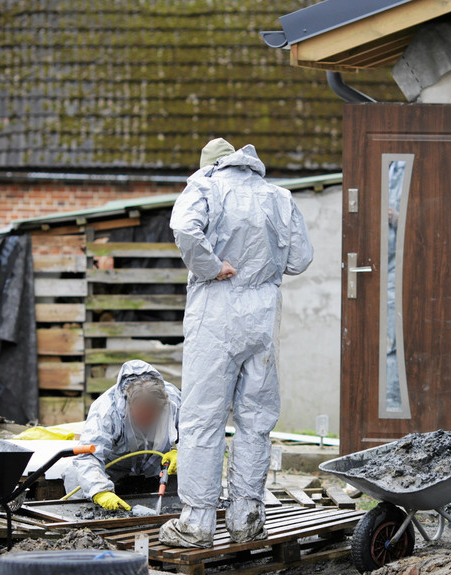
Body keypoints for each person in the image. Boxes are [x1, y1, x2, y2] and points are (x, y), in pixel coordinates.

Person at [158, 139, 313, 548]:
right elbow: (300, 260)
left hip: (217, 310)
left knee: (202, 418)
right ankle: (247, 518)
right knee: (256, 419)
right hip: (262, 315)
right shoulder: (279, 197)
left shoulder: (205, 187)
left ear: (211, 165)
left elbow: (184, 230)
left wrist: (212, 265)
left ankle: (197, 523)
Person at [63, 360, 180, 511]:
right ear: (129, 406)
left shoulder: (174, 401)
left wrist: (181, 452)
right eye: (142, 414)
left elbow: (195, 437)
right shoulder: (106, 410)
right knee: (76, 474)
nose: (147, 420)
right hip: (111, 469)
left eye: (152, 414)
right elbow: (88, 456)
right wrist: (100, 491)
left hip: (157, 470)